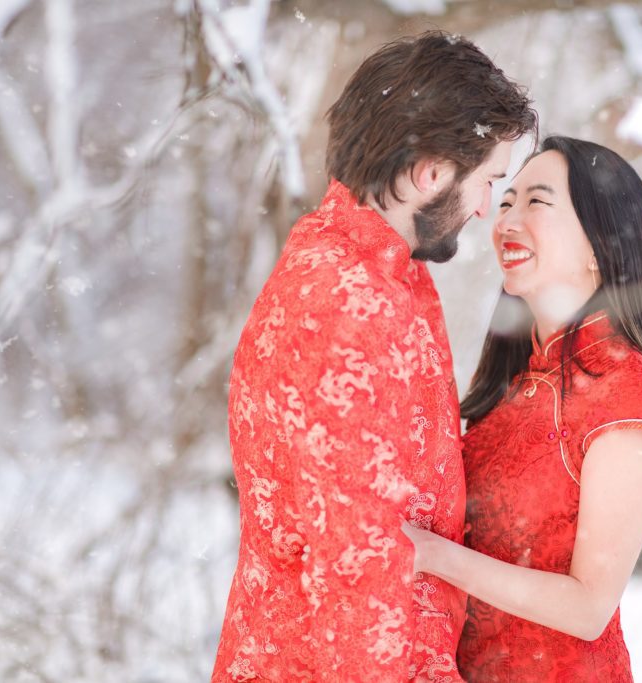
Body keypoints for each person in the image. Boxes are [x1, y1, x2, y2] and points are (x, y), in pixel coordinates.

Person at [212, 31, 536, 682]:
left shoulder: (366, 275)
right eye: (489, 180)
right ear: (429, 174)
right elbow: (360, 563)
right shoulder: (350, 307)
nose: (483, 208)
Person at [401, 136, 642, 681]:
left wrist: (433, 555)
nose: (507, 219)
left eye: (538, 202)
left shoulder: (624, 391)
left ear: (600, 247)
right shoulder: (516, 380)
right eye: (505, 201)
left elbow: (588, 608)